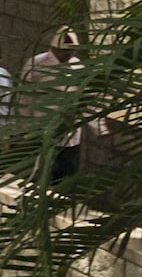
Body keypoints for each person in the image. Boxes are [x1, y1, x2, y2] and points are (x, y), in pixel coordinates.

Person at [21, 27, 103, 181]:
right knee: (43, 178)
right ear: (54, 48)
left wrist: (98, 127)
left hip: (70, 137)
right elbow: (26, 98)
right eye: (64, 50)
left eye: (72, 50)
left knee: (66, 178)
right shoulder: (37, 64)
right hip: (44, 133)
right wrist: (28, 128)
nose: (68, 54)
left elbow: (87, 99)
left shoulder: (78, 67)